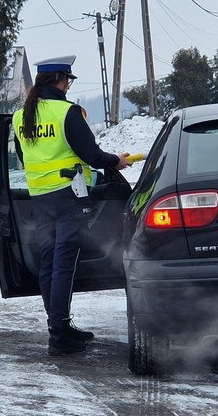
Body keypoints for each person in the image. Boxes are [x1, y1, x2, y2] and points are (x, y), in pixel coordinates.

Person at [13, 55, 131, 356]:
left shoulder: (20, 116)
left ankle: (59, 328)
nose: (68, 86)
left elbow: (24, 157)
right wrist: (116, 161)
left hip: (40, 198)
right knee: (64, 264)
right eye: (68, 80)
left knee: (49, 264)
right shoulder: (67, 112)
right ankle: (59, 334)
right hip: (69, 198)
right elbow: (92, 155)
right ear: (58, 80)